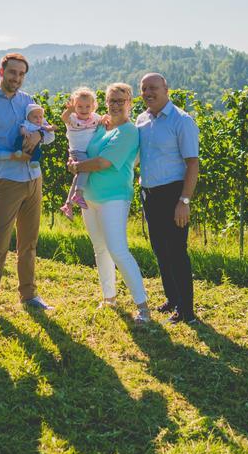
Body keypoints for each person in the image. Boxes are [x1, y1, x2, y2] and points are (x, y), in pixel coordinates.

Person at [0, 53, 55, 322]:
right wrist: (10, 155)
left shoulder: (28, 101)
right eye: (12, 72)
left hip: (33, 178)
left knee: (29, 243)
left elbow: (49, 134)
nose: (16, 78)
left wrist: (40, 134)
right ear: (1, 71)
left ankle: (29, 295)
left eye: (21, 74)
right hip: (6, 181)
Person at [68, 83, 151, 323]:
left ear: (130, 103)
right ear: (105, 103)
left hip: (114, 197)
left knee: (117, 249)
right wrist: (72, 159)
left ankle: (143, 306)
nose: (115, 105)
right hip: (90, 197)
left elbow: (103, 162)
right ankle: (109, 298)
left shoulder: (128, 132)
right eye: (111, 100)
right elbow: (82, 148)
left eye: (120, 100)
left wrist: (76, 167)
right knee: (100, 249)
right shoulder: (101, 127)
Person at [136, 73, 200, 324]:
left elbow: (192, 163)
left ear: (166, 89)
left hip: (173, 193)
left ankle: (187, 311)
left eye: (153, 87)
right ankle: (172, 300)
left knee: (177, 252)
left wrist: (184, 201)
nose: (148, 92)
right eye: (144, 88)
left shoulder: (181, 120)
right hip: (150, 194)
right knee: (160, 250)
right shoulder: (141, 120)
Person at [59, 86, 102, 218]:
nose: (84, 110)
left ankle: (68, 204)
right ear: (74, 107)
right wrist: (69, 110)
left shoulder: (95, 117)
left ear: (93, 106)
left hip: (86, 152)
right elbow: (63, 118)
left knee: (79, 175)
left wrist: (105, 119)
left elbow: (103, 120)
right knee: (86, 169)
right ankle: (78, 195)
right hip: (77, 151)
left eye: (87, 106)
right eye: (79, 106)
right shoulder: (72, 119)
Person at [13, 103, 53, 170]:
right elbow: (22, 128)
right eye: (35, 117)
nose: (38, 119)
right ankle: (18, 150)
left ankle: (34, 161)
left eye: (40, 117)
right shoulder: (27, 123)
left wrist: (50, 128)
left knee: (38, 151)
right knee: (19, 139)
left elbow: (49, 132)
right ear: (28, 117)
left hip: (35, 145)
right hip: (25, 138)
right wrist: (25, 131)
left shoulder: (41, 125)